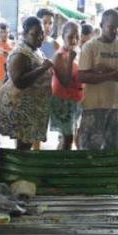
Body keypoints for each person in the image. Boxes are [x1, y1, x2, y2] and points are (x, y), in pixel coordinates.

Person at [77, 9, 118, 150]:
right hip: (93, 106)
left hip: (116, 107)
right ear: (102, 24)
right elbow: (82, 76)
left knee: (113, 150)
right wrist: (109, 76)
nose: (115, 31)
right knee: (90, 150)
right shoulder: (90, 47)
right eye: (111, 27)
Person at [0, 16, 53, 150]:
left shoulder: (34, 49)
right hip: (22, 109)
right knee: (23, 146)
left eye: (41, 34)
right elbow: (19, 82)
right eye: (35, 34)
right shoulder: (20, 53)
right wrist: (42, 69)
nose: (40, 37)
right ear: (25, 34)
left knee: (26, 144)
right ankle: (19, 169)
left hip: (31, 108)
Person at [49, 21, 83, 150]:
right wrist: (70, 60)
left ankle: (63, 161)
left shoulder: (77, 52)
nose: (74, 40)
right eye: (70, 37)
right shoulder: (59, 55)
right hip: (63, 102)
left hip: (75, 101)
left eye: (77, 37)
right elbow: (66, 82)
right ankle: (61, 165)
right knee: (68, 138)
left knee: (69, 137)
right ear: (63, 36)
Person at [0, 22, 14, 86]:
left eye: (6, 32)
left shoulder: (13, 44)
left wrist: (8, 54)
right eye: (1, 32)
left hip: (11, 78)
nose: (4, 34)